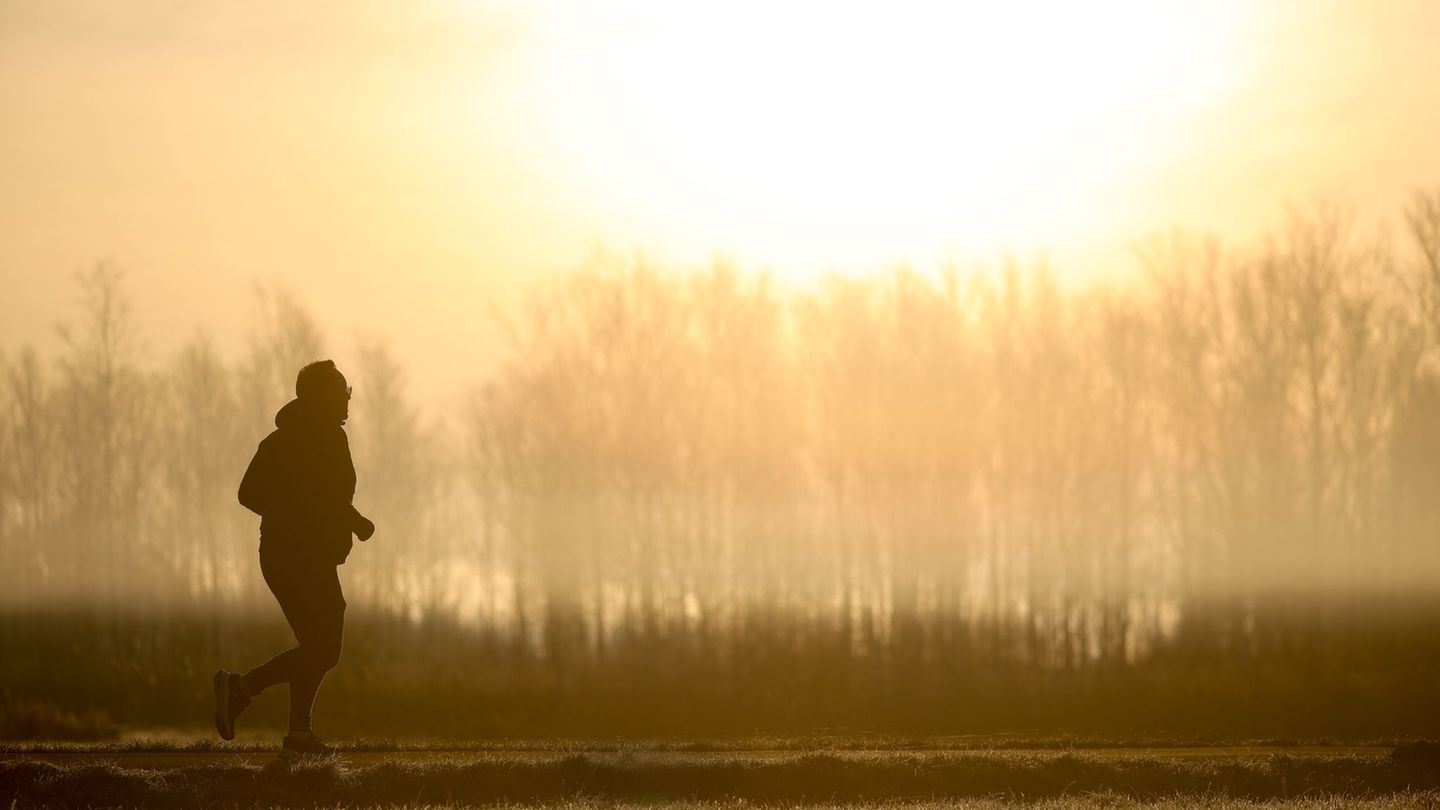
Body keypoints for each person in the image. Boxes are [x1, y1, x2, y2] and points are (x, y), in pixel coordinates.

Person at [214, 359, 375, 760]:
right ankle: (243, 688)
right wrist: (335, 520)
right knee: (324, 649)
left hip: (290, 555)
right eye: (341, 392)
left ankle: (297, 734)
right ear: (322, 396)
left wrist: (346, 520)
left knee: (316, 647)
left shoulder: (287, 439)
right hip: (299, 556)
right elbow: (310, 497)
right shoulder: (317, 438)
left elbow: (310, 497)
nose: (347, 400)